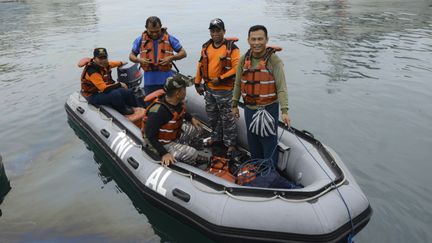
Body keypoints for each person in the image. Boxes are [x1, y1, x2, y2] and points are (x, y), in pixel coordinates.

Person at [231, 25, 291, 166]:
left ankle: (269, 173)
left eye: (260, 39)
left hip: (268, 109)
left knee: (269, 142)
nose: (256, 43)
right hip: (249, 109)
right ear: (248, 40)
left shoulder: (274, 61)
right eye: (253, 39)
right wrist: (234, 104)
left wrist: (285, 111)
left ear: (266, 40)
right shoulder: (243, 60)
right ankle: (256, 170)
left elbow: (282, 87)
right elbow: (238, 84)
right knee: (253, 141)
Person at [194, 18, 239, 155]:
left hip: (224, 90)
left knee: (227, 118)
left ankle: (231, 144)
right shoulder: (206, 46)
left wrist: (221, 79)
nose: (215, 34)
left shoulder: (232, 48)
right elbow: (201, 65)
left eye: (218, 31)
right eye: (213, 31)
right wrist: (197, 83)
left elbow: (237, 68)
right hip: (209, 89)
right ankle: (216, 137)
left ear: (224, 31)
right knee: (212, 116)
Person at [143, 75, 208, 166]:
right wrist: (163, 153)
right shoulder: (158, 111)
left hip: (173, 136)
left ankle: (192, 151)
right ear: (178, 93)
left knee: (197, 128)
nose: (186, 91)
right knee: (191, 153)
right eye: (184, 89)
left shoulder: (175, 102)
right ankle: (191, 161)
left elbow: (181, 112)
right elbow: (149, 135)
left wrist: (191, 119)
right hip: (163, 143)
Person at [129, 16, 187, 96]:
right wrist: (140, 60)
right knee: (151, 105)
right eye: (151, 31)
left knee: (168, 105)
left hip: (167, 80)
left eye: (157, 31)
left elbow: (183, 53)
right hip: (149, 82)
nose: (154, 34)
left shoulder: (170, 38)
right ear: (146, 28)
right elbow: (131, 56)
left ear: (161, 27)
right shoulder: (140, 40)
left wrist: (171, 57)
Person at [80, 47, 137, 115]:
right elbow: (104, 89)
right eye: (100, 58)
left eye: (105, 58)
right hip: (92, 95)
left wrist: (122, 62)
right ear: (94, 59)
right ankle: (123, 111)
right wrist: (119, 84)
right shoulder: (92, 71)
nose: (103, 60)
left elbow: (114, 63)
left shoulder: (105, 65)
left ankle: (136, 106)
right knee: (115, 94)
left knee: (127, 91)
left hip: (101, 92)